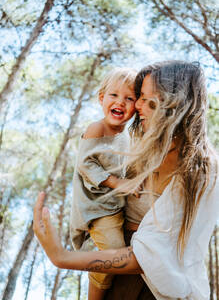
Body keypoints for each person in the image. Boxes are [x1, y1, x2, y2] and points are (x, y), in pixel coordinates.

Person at [33, 61, 219, 300]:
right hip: (117, 274)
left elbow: (150, 257)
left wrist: (62, 257)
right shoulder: (141, 152)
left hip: (154, 288)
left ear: (174, 101)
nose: (137, 105)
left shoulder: (202, 170)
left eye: (143, 97)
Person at [70, 67, 138, 300]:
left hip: (115, 204)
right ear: (102, 98)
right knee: (113, 252)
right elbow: (85, 165)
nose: (121, 102)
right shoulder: (96, 129)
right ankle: (95, 295)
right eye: (114, 95)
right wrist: (118, 183)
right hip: (97, 206)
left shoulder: (127, 136)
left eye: (129, 98)